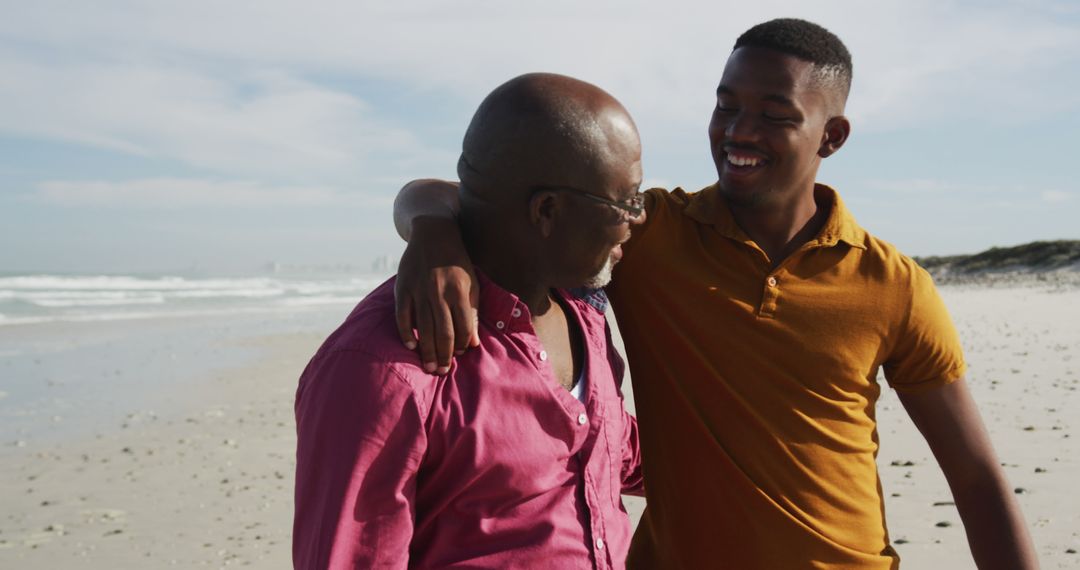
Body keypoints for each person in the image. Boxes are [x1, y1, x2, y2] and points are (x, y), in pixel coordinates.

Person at [390, 18, 1039, 570]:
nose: (738, 131)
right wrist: (435, 233)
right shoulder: (650, 237)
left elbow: (976, 478)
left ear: (831, 137)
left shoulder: (893, 285)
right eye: (727, 105)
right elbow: (491, 203)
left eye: (774, 115)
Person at [294, 73, 646, 569]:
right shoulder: (385, 366)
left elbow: (613, 451)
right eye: (627, 202)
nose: (640, 218)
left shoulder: (583, 314)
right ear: (547, 211)